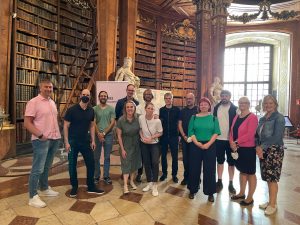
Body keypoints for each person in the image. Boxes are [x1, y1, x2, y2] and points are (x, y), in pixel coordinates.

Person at [24, 79, 61, 208]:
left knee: (47, 166)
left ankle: (44, 188)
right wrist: (40, 135)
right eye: (46, 87)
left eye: (50, 87)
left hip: (54, 139)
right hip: (41, 140)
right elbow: (27, 123)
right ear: (40, 88)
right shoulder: (33, 102)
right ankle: (32, 196)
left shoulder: (52, 102)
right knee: (37, 168)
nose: (49, 89)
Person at [64, 89, 104, 198]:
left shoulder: (91, 110)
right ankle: (74, 187)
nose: (85, 96)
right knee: (72, 165)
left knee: (91, 163)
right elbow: (66, 126)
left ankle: (91, 186)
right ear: (80, 96)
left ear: (90, 97)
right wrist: (66, 142)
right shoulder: (71, 110)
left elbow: (91, 125)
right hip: (73, 141)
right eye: (84, 94)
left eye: (88, 95)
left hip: (86, 141)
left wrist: (93, 140)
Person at [256, 95, 285, 216]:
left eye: (270, 103)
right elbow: (257, 135)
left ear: (275, 104)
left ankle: (273, 205)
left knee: (272, 178)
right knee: (267, 177)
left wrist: (261, 148)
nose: (268, 105)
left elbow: (277, 136)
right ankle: (272, 201)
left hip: (274, 150)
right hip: (262, 150)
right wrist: (258, 147)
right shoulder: (262, 119)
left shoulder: (279, 118)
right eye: (266, 103)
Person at [187, 97, 220, 202]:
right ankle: (193, 189)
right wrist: (197, 143)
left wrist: (208, 144)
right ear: (199, 106)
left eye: (205, 104)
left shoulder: (214, 118)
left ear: (209, 106)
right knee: (194, 168)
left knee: (209, 169)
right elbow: (191, 131)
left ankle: (210, 192)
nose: (203, 106)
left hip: (210, 145)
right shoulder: (194, 117)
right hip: (195, 144)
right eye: (201, 104)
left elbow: (216, 132)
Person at [229, 97, 258, 206]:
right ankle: (241, 193)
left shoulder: (253, 117)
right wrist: (231, 142)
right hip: (237, 148)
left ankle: (250, 197)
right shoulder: (237, 116)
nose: (242, 104)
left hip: (248, 149)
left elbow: (250, 134)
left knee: (250, 173)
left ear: (249, 104)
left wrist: (236, 142)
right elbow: (231, 131)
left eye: (244, 103)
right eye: (240, 102)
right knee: (242, 171)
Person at [213, 90, 237, 194]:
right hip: (218, 139)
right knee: (220, 161)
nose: (224, 97)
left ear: (230, 97)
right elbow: (213, 122)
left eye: (226, 96)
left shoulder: (235, 109)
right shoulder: (216, 107)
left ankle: (231, 183)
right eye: (222, 96)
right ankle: (219, 181)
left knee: (231, 163)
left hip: (230, 140)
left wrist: (235, 140)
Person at [116, 100, 141, 194]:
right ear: (125, 109)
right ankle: (125, 185)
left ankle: (131, 181)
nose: (130, 108)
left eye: (131, 107)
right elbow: (118, 136)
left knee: (134, 164)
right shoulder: (121, 120)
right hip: (125, 144)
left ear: (134, 108)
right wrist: (122, 149)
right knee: (126, 165)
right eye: (128, 107)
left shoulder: (138, 118)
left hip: (136, 144)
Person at [139, 102, 163, 196]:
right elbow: (140, 129)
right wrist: (142, 137)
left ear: (154, 110)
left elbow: (160, 133)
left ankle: (155, 184)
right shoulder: (141, 118)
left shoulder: (157, 121)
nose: (150, 110)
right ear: (145, 109)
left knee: (155, 162)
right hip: (144, 143)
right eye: (148, 108)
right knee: (146, 162)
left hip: (154, 144)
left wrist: (151, 138)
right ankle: (149, 182)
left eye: (152, 109)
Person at [135, 88, 159, 182]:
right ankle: (140, 174)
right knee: (142, 156)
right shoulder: (139, 107)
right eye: (146, 94)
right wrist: (142, 136)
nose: (148, 95)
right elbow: (139, 121)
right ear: (143, 96)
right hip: (141, 136)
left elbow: (156, 118)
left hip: (153, 137)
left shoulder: (156, 107)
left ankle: (152, 175)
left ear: (152, 96)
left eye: (149, 94)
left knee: (153, 159)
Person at [93, 91, 116, 185]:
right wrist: (98, 133)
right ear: (99, 97)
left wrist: (104, 133)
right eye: (101, 96)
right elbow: (93, 122)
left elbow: (112, 122)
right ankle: (96, 176)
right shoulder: (94, 109)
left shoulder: (111, 109)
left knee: (107, 157)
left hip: (108, 135)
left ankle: (106, 176)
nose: (103, 97)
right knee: (96, 157)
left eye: (105, 96)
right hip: (96, 135)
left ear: (107, 97)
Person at [159, 93, 180, 183]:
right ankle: (164, 173)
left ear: (172, 99)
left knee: (175, 157)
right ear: (164, 99)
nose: (168, 100)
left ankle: (174, 175)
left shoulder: (177, 110)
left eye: (169, 98)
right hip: (163, 137)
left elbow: (179, 123)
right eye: (166, 98)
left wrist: (179, 135)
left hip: (174, 136)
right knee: (163, 156)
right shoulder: (161, 110)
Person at [178, 93, 198, 185]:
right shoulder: (182, 111)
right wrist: (184, 136)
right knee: (186, 160)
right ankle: (186, 177)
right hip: (185, 139)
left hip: (196, 140)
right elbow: (180, 124)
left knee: (195, 160)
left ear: (194, 99)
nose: (189, 100)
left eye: (190, 98)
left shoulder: (198, 110)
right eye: (187, 99)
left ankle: (196, 178)